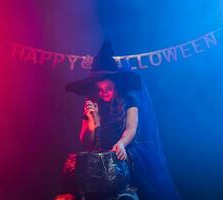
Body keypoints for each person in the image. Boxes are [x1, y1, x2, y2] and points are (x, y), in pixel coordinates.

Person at [62, 41, 180, 200]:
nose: (104, 93)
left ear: (116, 86)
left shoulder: (129, 99)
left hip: (124, 152)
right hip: (100, 159)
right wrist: (91, 122)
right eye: (100, 90)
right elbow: (85, 141)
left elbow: (131, 127)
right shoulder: (92, 103)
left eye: (108, 89)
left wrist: (122, 144)